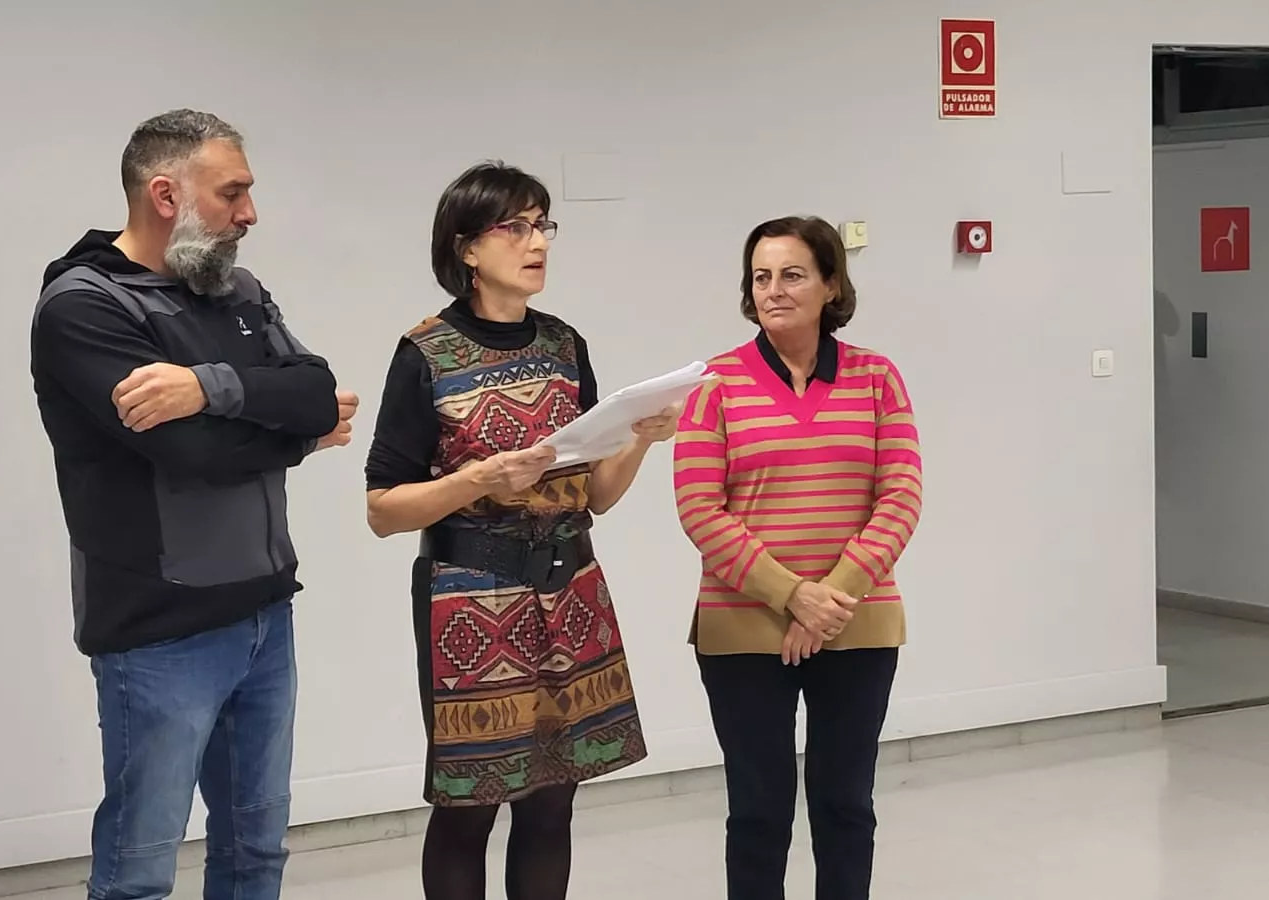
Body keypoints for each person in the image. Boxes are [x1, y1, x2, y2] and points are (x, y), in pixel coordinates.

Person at [30, 109, 357, 900]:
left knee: (255, 854)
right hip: (158, 634)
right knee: (140, 872)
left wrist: (209, 387)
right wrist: (297, 438)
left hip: (264, 617)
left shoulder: (235, 291)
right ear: (165, 193)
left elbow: (316, 390)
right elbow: (193, 456)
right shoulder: (85, 306)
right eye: (232, 193)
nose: (250, 214)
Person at [364, 161, 670, 900]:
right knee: (471, 803)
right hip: (472, 597)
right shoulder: (426, 353)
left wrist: (640, 440)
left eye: (543, 225)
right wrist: (478, 480)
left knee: (553, 798)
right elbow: (382, 508)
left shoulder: (564, 346)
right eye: (515, 227)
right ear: (467, 249)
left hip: (571, 590)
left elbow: (594, 494)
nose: (537, 243)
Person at [673, 216, 923, 900]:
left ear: (830, 284)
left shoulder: (878, 378)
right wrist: (793, 596)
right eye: (761, 277)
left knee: (846, 806)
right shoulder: (713, 384)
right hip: (743, 628)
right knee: (758, 813)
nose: (773, 290)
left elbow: (900, 497)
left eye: (792, 274)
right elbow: (700, 508)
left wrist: (829, 600)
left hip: (857, 625)